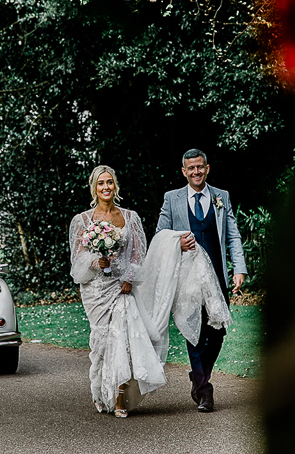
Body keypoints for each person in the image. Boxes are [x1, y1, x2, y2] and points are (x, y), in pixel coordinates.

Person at [69, 165, 166, 417]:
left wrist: (130, 279)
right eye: (101, 183)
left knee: (123, 339)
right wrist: (95, 261)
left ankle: (120, 399)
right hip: (96, 290)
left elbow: (137, 254)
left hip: (121, 287)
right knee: (101, 342)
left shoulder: (130, 217)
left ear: (115, 186)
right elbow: (78, 260)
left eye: (109, 182)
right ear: (94, 188)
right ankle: (99, 393)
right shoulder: (83, 221)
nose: (105, 187)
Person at [155, 148, 246, 412]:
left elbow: (233, 236)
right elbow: (161, 236)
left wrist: (238, 269)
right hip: (187, 278)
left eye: (200, 167)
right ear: (184, 172)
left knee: (217, 333)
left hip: (217, 276)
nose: (196, 172)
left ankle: (197, 376)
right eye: (190, 168)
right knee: (193, 332)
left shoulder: (222, 197)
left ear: (207, 168)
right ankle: (205, 391)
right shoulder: (172, 199)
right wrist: (177, 243)